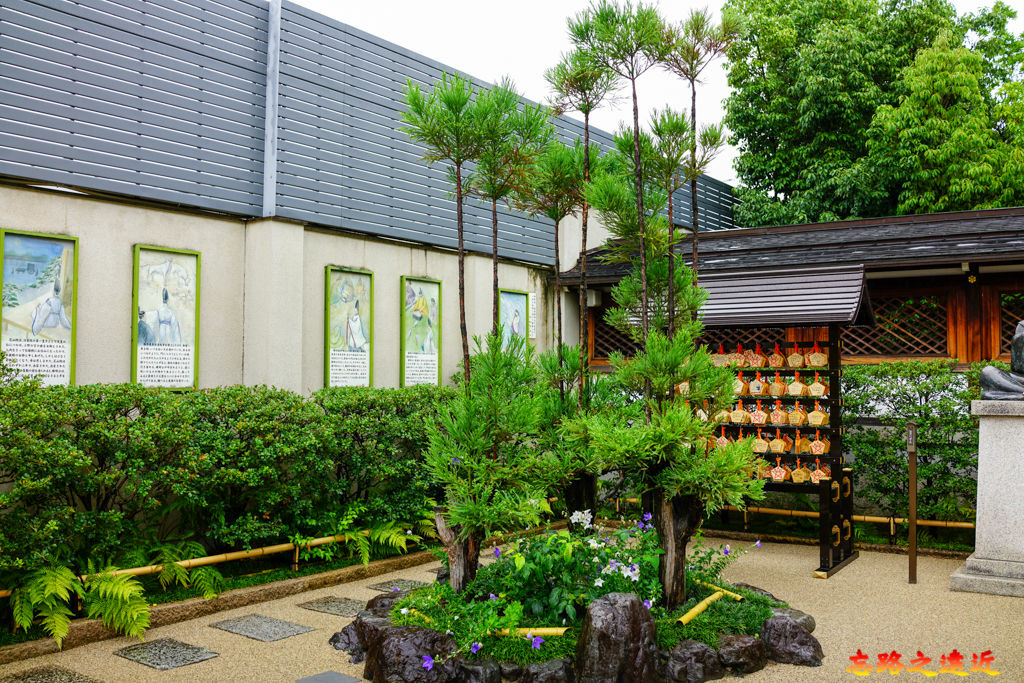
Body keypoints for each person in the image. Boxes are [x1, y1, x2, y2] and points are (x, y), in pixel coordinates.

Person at [30, 267, 71, 336]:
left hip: (48, 323)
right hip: (55, 323)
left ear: (53, 290)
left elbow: (42, 317)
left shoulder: (49, 301)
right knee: (39, 310)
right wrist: (69, 326)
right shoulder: (60, 303)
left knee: (35, 312)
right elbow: (63, 318)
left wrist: (38, 309)